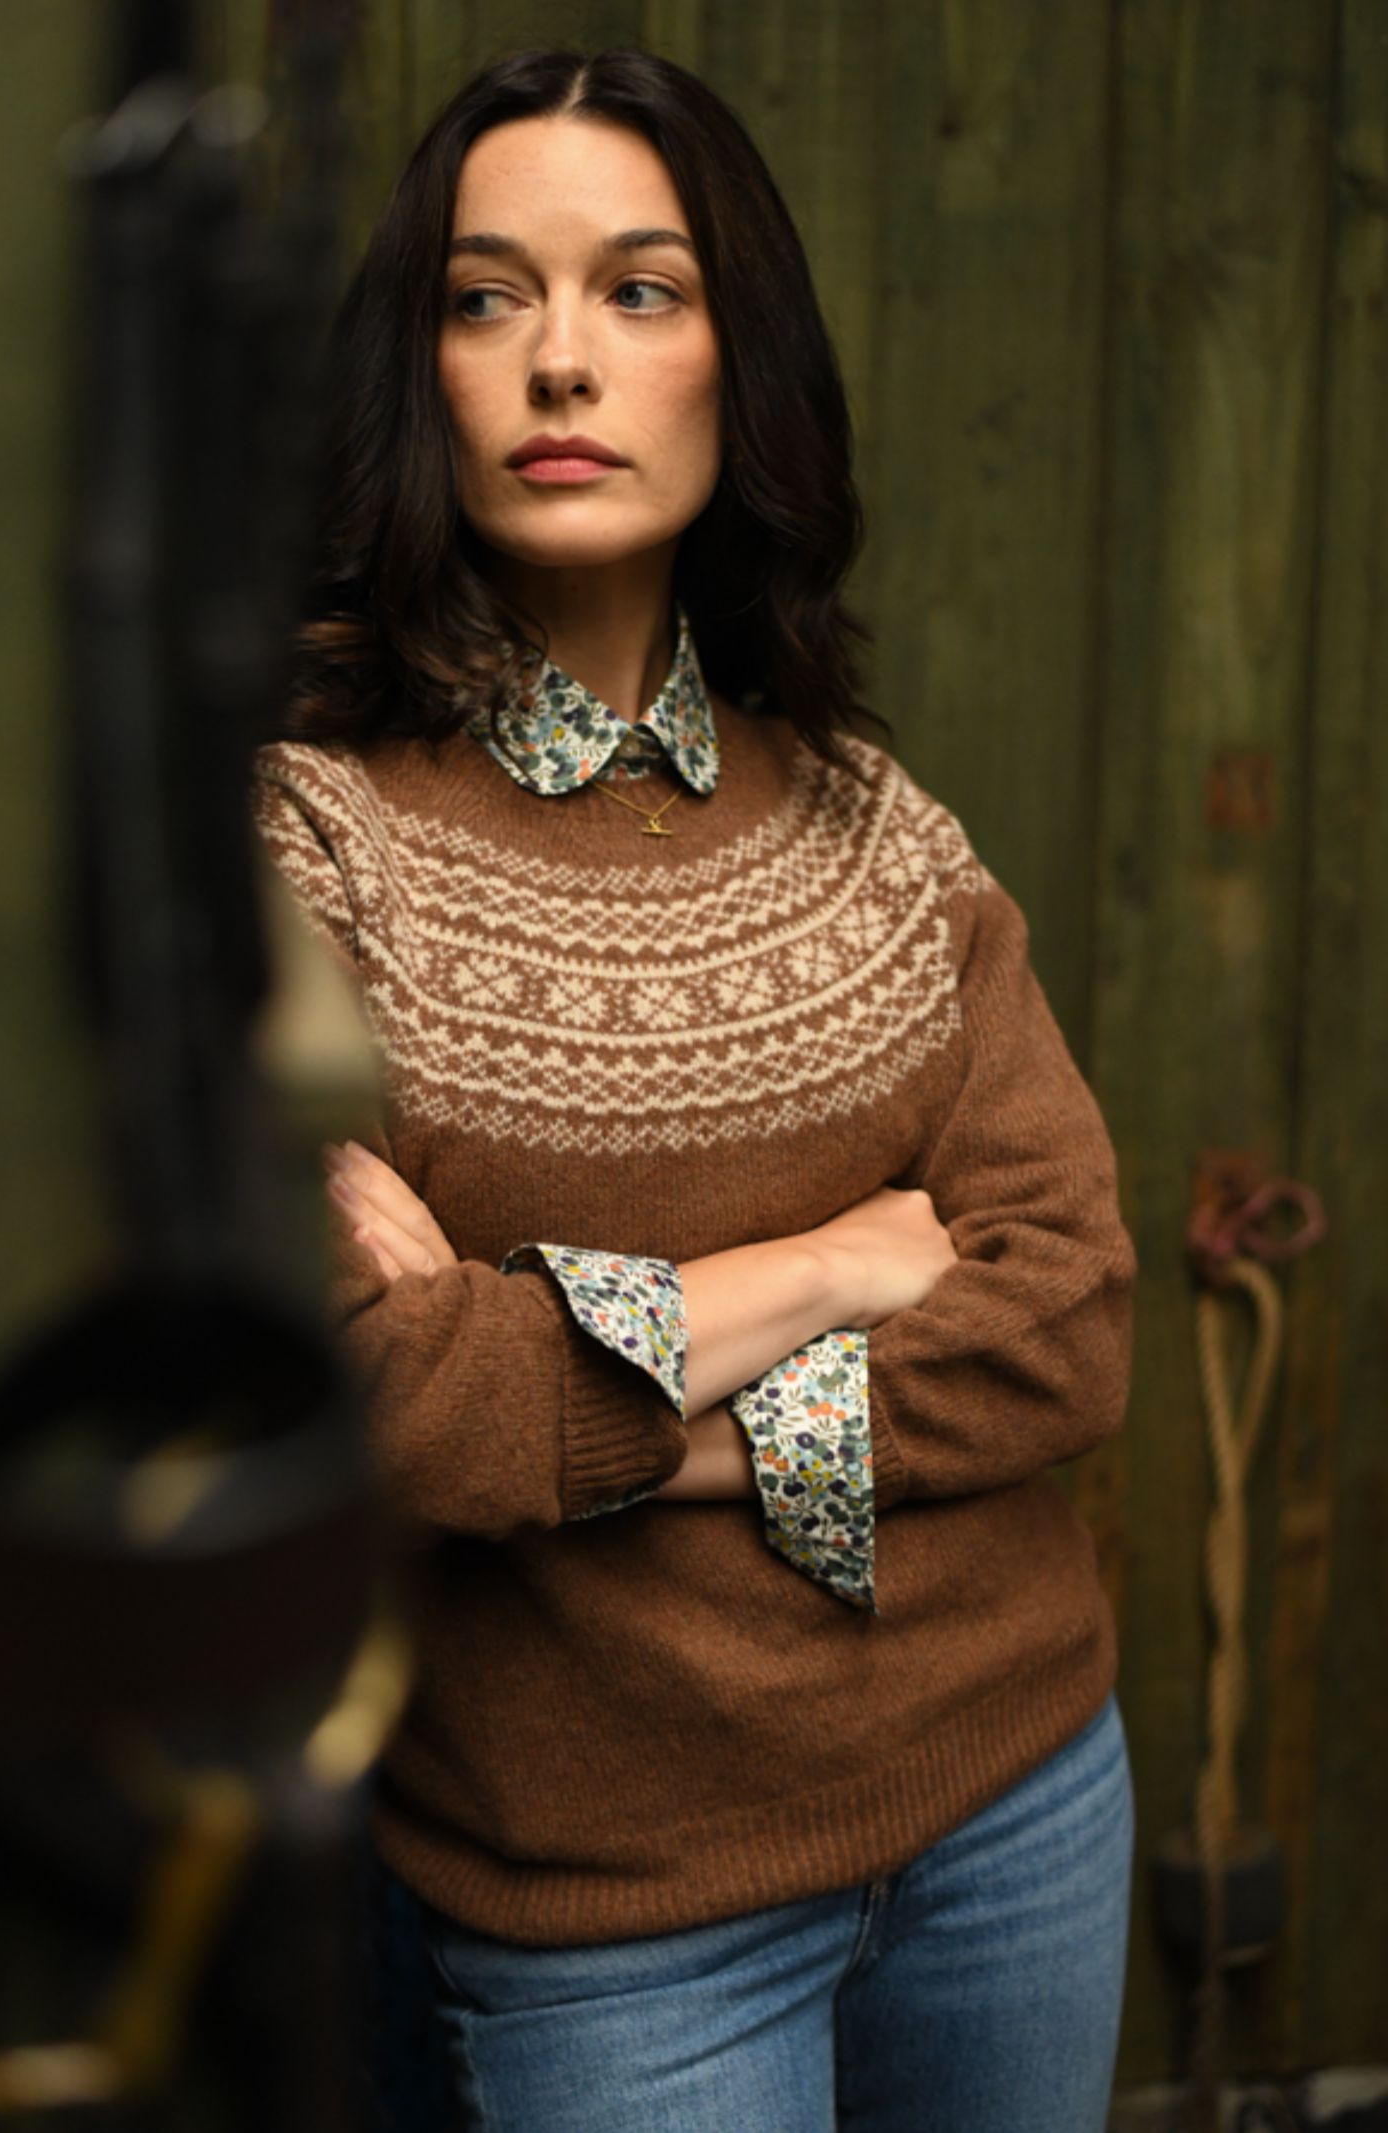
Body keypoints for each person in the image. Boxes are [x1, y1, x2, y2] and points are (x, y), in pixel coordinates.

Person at [251, 44, 1137, 2133]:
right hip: (607, 1914)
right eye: (488, 297)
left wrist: (572, 1375)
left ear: (739, 359)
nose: (560, 358)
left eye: (638, 289)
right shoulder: (303, 838)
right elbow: (381, 1402)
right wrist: (839, 1259)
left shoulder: (862, 816)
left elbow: (1069, 1314)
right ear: (422, 365)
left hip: (1014, 1797)